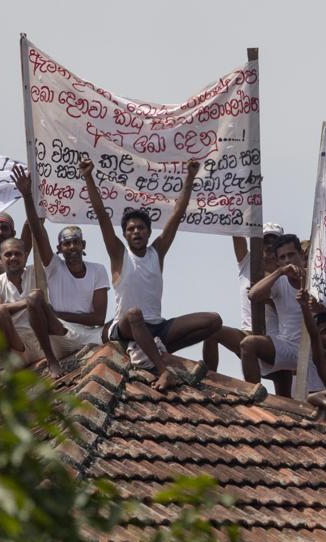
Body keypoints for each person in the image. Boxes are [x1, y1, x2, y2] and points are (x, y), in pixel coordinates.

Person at [81, 158, 222, 390]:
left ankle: (159, 349)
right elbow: (101, 216)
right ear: (125, 235)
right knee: (134, 313)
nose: (136, 232)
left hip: (157, 326)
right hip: (126, 327)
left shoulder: (157, 252)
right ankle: (163, 370)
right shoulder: (120, 254)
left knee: (214, 320)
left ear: (148, 233)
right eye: (131, 229)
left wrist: (190, 177)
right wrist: (88, 177)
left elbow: (177, 215)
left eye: (141, 228)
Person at [12, 166, 109, 349]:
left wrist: (57, 313)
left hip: (92, 332)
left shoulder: (98, 270)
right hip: (62, 331)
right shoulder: (54, 267)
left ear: (83, 245)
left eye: (75, 242)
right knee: (36, 301)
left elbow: (98, 318)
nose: (72, 247)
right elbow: (37, 231)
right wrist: (27, 196)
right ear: (59, 249)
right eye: (67, 243)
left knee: (126, 321)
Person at [0, 238, 78, 379]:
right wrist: (29, 301)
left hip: (45, 339)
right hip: (18, 346)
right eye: (8, 254)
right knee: (3, 311)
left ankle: (52, 361)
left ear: (26, 256)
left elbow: (40, 240)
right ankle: (5, 366)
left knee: (35, 300)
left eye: (18, 254)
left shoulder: (37, 271)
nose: (13, 258)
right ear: (0, 258)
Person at [201, 223, 283, 376]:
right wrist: (235, 206)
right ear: (258, 243)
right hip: (248, 333)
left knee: (284, 397)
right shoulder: (247, 263)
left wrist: (267, 300)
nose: (270, 245)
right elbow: (235, 229)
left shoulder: (285, 273)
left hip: (275, 341)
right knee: (211, 332)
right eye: (265, 241)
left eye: (275, 241)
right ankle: (209, 380)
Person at [241, 234, 304, 396]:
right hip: (289, 347)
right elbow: (253, 295)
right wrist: (280, 272)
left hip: (314, 351)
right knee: (248, 344)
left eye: (291, 255)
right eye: (282, 257)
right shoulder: (279, 280)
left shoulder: (316, 279)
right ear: (277, 262)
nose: (287, 260)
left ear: (301, 255)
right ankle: (253, 399)